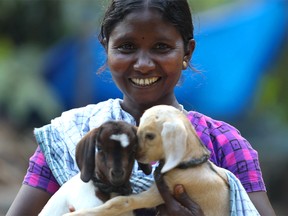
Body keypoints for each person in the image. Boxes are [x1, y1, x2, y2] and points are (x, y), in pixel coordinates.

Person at [7, 0, 276, 215]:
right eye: (126, 47)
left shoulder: (223, 144)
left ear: (187, 53)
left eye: (161, 47)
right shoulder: (67, 137)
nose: (143, 64)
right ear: (106, 50)